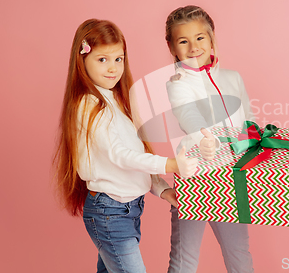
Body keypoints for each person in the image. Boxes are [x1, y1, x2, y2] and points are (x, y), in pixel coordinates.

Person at [53, 19, 198, 273]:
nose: (113, 68)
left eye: (118, 59)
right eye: (102, 60)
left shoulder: (116, 101)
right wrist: (170, 164)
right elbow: (120, 156)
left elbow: (136, 156)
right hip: (110, 213)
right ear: (82, 59)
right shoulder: (88, 105)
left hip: (127, 211)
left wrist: (162, 190)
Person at [164, 5, 254, 273]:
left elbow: (249, 122)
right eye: (183, 41)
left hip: (232, 177)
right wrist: (204, 138)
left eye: (200, 38)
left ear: (212, 38)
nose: (193, 47)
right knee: (184, 258)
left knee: (239, 252)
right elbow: (188, 115)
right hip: (194, 178)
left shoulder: (232, 78)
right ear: (172, 47)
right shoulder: (177, 83)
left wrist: (254, 141)